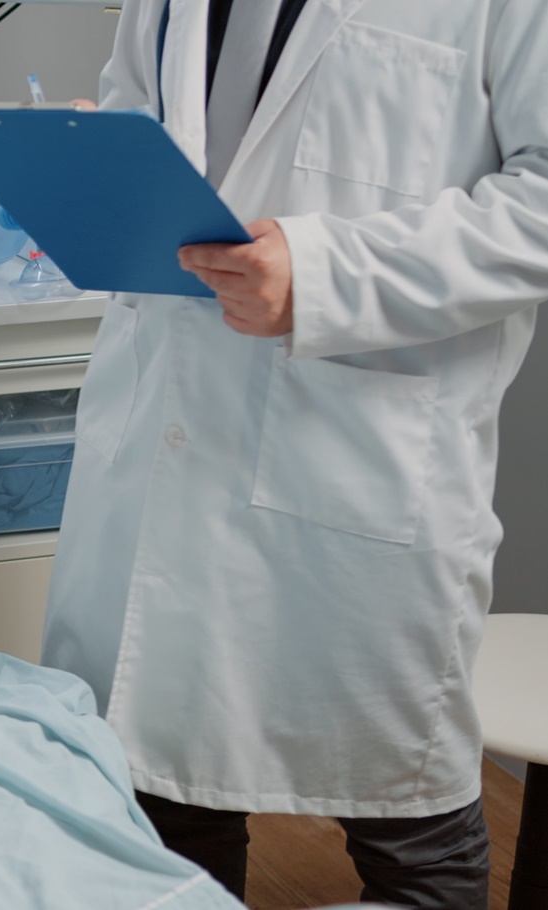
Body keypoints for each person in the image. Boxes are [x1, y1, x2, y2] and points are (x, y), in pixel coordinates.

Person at [42, 0, 548, 906]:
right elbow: (147, 118)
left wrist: (323, 275)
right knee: (161, 789)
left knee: (410, 826)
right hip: (163, 433)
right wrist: (99, 177)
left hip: (358, 455)